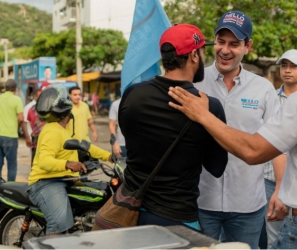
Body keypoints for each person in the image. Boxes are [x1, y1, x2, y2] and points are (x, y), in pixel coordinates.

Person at [115, 24, 228, 231]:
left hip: (130, 214)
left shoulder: (132, 94)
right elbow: (217, 167)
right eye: (203, 52)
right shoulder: (208, 106)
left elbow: (130, 137)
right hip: (179, 220)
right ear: (194, 55)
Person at [191, 10, 280, 249]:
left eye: (234, 44)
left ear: (247, 46)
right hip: (201, 199)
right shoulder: (194, 82)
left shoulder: (263, 88)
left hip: (248, 204)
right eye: (221, 42)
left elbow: (278, 144)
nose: (225, 50)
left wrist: (280, 188)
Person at [27, 86, 112, 236]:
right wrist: (67, 164)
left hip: (63, 179)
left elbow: (84, 145)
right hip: (45, 182)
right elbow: (44, 162)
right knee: (59, 224)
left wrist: (110, 156)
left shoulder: (65, 128)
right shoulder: (51, 131)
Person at [260, 49, 297, 248]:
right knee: (273, 237)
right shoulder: (271, 98)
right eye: (284, 65)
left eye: (293, 66)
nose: (287, 70)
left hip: (292, 185)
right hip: (268, 179)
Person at [0, 79, 31, 181]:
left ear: (5, 88)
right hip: (11, 136)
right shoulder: (17, 100)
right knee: (11, 164)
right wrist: (18, 126)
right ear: (15, 89)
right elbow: (21, 118)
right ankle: (10, 187)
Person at [27, 82, 50, 163]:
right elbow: (31, 125)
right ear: (35, 97)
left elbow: (31, 125)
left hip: (42, 142)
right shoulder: (31, 109)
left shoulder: (32, 109)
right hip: (39, 142)